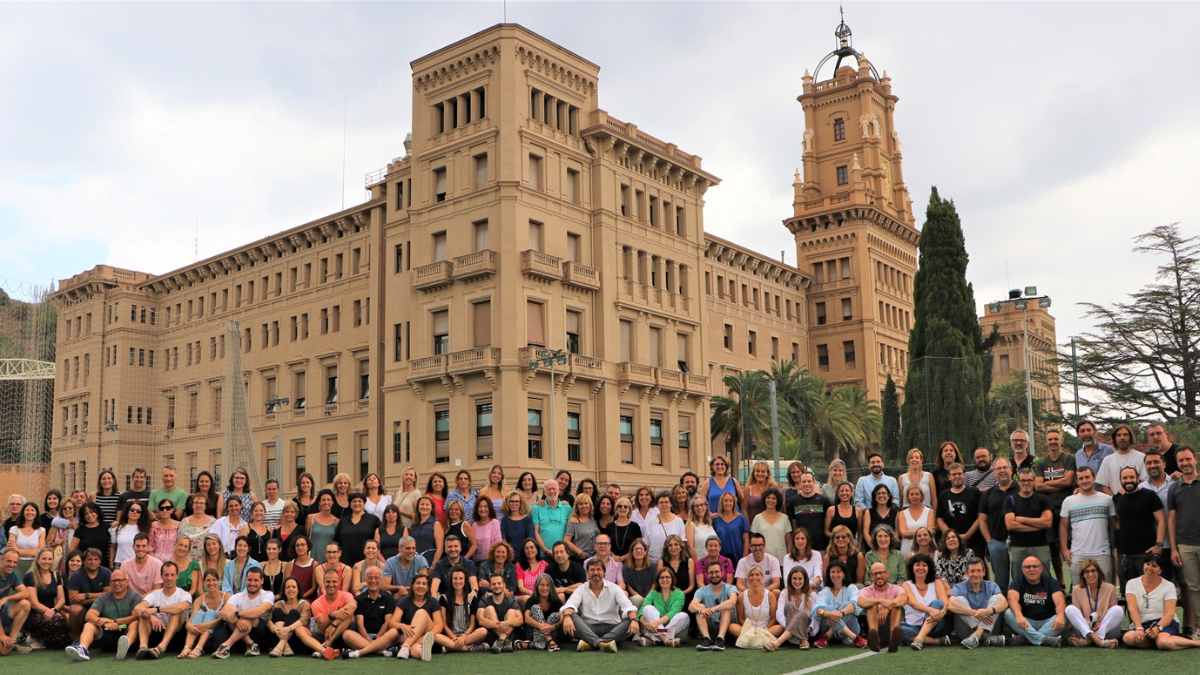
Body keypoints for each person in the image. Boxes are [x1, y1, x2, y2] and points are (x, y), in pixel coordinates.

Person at [1122, 554, 1200, 650]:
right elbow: (1132, 608)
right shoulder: (1131, 583)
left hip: (1165, 623)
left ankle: (1196, 643)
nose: (1149, 568)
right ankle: (1157, 641)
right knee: (1128, 638)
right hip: (1142, 624)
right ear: (1143, 565)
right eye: (1147, 564)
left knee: (1163, 642)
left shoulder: (1169, 586)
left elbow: (1169, 613)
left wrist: (1158, 628)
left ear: (1160, 570)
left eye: (1154, 566)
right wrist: (1139, 628)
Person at [561, 557, 637, 653]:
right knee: (570, 615)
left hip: (612, 627)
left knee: (630, 620)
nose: (595, 573)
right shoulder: (581, 588)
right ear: (587, 573)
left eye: (598, 569)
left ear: (604, 572)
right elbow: (570, 604)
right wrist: (567, 616)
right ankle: (602, 643)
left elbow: (628, 606)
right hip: (588, 628)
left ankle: (590, 643)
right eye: (592, 570)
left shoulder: (614, 588)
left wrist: (634, 620)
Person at [64, 567, 139, 662]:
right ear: (110, 583)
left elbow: (135, 616)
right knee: (89, 625)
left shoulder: (135, 597)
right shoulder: (103, 597)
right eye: (114, 581)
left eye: (120, 580)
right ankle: (82, 649)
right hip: (107, 629)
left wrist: (116, 623)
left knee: (135, 623)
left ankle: (124, 648)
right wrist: (102, 622)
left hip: (125, 629)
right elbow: (89, 615)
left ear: (127, 581)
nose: (116, 583)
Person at [1059, 465, 1116, 582]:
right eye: (1081, 478)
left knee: (1105, 590)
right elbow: (1063, 526)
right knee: (1079, 591)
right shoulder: (1069, 501)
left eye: (1087, 477)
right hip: (1078, 554)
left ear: (1094, 478)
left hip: (1102, 553)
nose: (1084, 481)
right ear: (1077, 481)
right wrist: (1064, 550)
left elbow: (1113, 525)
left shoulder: (1107, 500)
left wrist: (1113, 549)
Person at [1114, 465, 1166, 593]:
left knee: (1149, 592)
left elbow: (1161, 520)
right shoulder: (1118, 499)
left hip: (1146, 555)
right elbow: (1117, 523)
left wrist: (1158, 545)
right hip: (1125, 557)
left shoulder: (1149, 496)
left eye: (1131, 477)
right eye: (1124, 478)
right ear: (1120, 480)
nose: (1128, 480)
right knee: (1129, 594)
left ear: (1138, 478)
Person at [1034, 428, 1075, 581]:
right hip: (1049, 510)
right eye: (1050, 439)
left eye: (1055, 439)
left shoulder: (1069, 459)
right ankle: (1061, 583)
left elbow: (1069, 481)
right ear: (1046, 442)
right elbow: (1037, 486)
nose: (1053, 442)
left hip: (1067, 509)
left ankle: (1074, 583)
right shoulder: (1040, 463)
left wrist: (1047, 483)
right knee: (1053, 549)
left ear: (1061, 441)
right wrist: (1061, 483)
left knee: (1070, 547)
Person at [1168, 446, 1200, 638]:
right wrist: (1173, 548)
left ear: (1194, 459)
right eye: (1181, 461)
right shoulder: (1174, 488)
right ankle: (1199, 627)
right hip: (1185, 545)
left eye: (1188, 459)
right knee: (1193, 588)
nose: (1185, 463)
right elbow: (1171, 519)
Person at [130, 560, 191, 659]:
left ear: (177, 576)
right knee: (143, 615)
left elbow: (179, 608)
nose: (169, 578)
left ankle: (161, 648)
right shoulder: (155, 594)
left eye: (172, 575)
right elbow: (137, 608)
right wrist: (150, 616)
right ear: (161, 576)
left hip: (178, 633)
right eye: (166, 575)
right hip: (158, 630)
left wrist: (155, 610)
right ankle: (143, 648)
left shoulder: (184, 594)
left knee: (175, 613)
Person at [1003, 467, 1053, 583]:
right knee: (1018, 579)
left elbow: (1047, 522)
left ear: (1034, 481)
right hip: (1018, 547)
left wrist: (1021, 519)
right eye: (1023, 480)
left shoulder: (1043, 499)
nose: (1026, 483)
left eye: (1029, 480)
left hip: (1040, 546)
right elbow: (1010, 525)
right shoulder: (1010, 500)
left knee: (1044, 577)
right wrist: (1037, 525)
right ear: (1018, 482)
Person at [1003, 555, 1065, 647]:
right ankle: (1043, 639)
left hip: (1048, 622)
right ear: (1022, 569)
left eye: (1035, 566)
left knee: (1065, 614)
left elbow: (1060, 601)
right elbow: (1012, 599)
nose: (1031, 569)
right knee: (1008, 613)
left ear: (1041, 568)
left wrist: (1060, 615)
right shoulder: (1017, 582)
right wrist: (1019, 616)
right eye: (1027, 567)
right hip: (1026, 622)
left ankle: (1024, 639)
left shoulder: (1051, 581)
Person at [212, 567, 274, 658]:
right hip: (239, 631)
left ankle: (226, 645)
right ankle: (250, 644)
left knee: (249, 618)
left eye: (256, 580)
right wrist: (237, 621)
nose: (252, 583)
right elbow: (224, 612)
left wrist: (237, 614)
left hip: (259, 632)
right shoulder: (237, 596)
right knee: (233, 617)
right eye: (249, 580)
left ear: (262, 581)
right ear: (246, 580)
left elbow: (258, 611)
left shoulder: (268, 594)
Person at [947, 559, 1008, 649]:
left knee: (996, 599)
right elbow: (950, 605)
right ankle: (986, 638)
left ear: (984, 572)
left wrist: (988, 611)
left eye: (979, 571)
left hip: (989, 629)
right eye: (972, 571)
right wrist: (974, 613)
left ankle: (977, 636)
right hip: (967, 631)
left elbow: (1004, 603)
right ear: (967, 573)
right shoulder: (959, 587)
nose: (975, 574)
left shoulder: (992, 585)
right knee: (958, 600)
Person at [340, 566, 397, 659]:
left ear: (381, 579)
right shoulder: (359, 599)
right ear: (365, 580)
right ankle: (381, 651)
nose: (373, 581)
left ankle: (360, 652)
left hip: (383, 637)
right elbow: (360, 624)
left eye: (376, 578)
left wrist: (379, 638)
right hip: (364, 637)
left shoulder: (388, 598)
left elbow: (387, 622)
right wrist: (367, 638)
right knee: (347, 634)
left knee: (394, 632)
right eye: (370, 578)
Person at [977, 456, 1016, 591]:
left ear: (1011, 470)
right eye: (998, 468)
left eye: (1005, 467)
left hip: (1019, 542)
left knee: (1019, 579)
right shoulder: (988, 494)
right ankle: (1002, 609)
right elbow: (982, 519)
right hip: (997, 542)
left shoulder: (1021, 488)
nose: (1002, 471)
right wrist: (989, 541)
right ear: (994, 472)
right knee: (1001, 581)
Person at [1065, 560, 1122, 648]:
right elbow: (1078, 615)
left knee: (1118, 609)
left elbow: (1111, 613)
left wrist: (1099, 623)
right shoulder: (1076, 589)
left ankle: (1090, 640)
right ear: (1083, 575)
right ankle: (1098, 641)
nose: (1090, 574)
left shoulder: (1110, 588)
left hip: (1105, 627)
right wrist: (1088, 625)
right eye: (1087, 572)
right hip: (1085, 628)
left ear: (1099, 572)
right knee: (1070, 609)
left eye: (1093, 571)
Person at [301, 571, 356, 660]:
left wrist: (334, 625)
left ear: (339, 582)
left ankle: (329, 643)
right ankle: (327, 647)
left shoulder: (347, 595)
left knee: (349, 616)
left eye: (334, 581)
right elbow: (322, 625)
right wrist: (332, 615)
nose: (331, 584)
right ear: (323, 583)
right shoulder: (316, 603)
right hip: (324, 635)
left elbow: (353, 607)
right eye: (328, 582)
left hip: (341, 635)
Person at [901, 553, 951, 650]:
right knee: (896, 629)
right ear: (912, 568)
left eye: (924, 565)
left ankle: (919, 639)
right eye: (917, 565)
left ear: (929, 568)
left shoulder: (937, 582)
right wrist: (930, 610)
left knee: (938, 603)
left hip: (935, 625)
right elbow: (913, 603)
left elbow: (944, 603)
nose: (921, 568)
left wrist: (943, 612)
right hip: (913, 626)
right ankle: (937, 641)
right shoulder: (906, 585)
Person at [938, 462, 984, 561]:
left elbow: (980, 517)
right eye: (954, 474)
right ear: (949, 477)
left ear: (964, 475)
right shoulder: (943, 495)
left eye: (959, 473)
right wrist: (951, 535)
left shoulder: (975, 492)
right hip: (951, 544)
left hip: (974, 541)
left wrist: (967, 535)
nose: (957, 476)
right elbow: (939, 519)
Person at [24, 547, 69, 649]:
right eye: (44, 558)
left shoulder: (56, 575)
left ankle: (42, 639)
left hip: (52, 612)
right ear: (38, 559)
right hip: (35, 613)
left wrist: (54, 610)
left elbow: (62, 599)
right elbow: (34, 603)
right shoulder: (30, 575)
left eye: (49, 559)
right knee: (54, 626)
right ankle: (33, 636)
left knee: (62, 642)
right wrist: (48, 611)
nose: (47, 562)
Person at [812, 560, 864, 648]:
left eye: (838, 571)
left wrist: (841, 613)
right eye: (833, 572)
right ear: (829, 574)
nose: (835, 575)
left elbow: (855, 605)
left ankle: (827, 636)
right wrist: (830, 613)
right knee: (827, 610)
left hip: (850, 627)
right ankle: (856, 639)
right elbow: (818, 609)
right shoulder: (825, 591)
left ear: (844, 574)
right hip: (828, 626)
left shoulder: (851, 588)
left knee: (847, 606)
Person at [387, 570, 438, 660]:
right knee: (415, 648)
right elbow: (392, 622)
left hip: (427, 634)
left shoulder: (433, 601)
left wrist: (429, 636)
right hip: (412, 637)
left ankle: (405, 646)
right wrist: (401, 625)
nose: (420, 586)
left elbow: (439, 624)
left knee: (421, 612)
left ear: (427, 587)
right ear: (412, 586)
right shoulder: (404, 601)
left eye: (424, 584)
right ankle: (421, 654)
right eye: (418, 583)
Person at [435, 567, 487, 653]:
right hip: (451, 635)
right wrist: (454, 637)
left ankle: (450, 647)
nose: (458, 581)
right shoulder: (444, 598)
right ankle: (467, 648)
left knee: (483, 631)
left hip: (467, 635)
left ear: (465, 580)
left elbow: (472, 624)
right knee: (435, 636)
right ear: (451, 580)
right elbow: (444, 625)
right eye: (455, 578)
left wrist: (463, 636)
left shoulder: (471, 598)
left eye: (461, 578)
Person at [857, 561, 906, 653]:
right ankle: (873, 634)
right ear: (871, 577)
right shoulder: (866, 590)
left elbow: (903, 599)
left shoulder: (896, 588)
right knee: (871, 606)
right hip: (874, 623)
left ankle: (893, 637)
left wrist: (888, 607)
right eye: (875, 574)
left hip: (890, 624)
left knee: (897, 607)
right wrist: (879, 602)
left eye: (881, 572)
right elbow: (861, 601)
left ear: (887, 574)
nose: (879, 576)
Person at [690, 560, 737, 651]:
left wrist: (713, 609)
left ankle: (720, 640)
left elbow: (732, 601)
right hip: (709, 626)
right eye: (711, 572)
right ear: (707, 575)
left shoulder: (730, 587)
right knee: (699, 608)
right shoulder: (702, 590)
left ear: (722, 573)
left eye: (716, 572)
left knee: (726, 607)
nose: (714, 575)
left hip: (727, 628)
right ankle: (706, 639)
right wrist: (701, 609)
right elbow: (691, 606)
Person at [180, 569, 227, 658]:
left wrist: (204, 625)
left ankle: (198, 648)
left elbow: (221, 619)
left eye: (214, 580)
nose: (211, 583)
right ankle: (187, 648)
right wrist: (189, 625)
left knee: (210, 613)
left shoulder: (226, 597)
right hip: (201, 629)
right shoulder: (199, 599)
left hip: (220, 628)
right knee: (200, 614)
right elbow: (192, 617)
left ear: (218, 581)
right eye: (208, 580)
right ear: (204, 582)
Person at [636, 566, 687, 647]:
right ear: (658, 580)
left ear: (672, 579)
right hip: (658, 627)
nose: (664, 580)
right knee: (647, 608)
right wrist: (646, 624)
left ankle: (653, 638)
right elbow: (641, 611)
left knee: (684, 616)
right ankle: (666, 640)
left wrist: (656, 623)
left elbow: (673, 612)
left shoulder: (680, 594)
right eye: (662, 577)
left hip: (672, 626)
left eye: (667, 577)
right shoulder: (653, 593)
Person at [729, 565, 777, 649]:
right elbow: (741, 618)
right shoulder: (742, 596)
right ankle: (761, 641)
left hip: (765, 629)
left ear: (762, 577)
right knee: (732, 626)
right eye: (751, 575)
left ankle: (750, 641)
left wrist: (764, 630)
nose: (754, 577)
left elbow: (773, 618)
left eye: (757, 574)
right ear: (748, 578)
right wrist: (751, 630)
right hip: (748, 629)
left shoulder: (770, 595)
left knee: (779, 628)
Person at [67, 548, 110, 637]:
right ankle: (76, 638)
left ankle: (110, 633)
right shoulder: (76, 575)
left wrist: (87, 595)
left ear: (100, 561)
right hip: (84, 607)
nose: (92, 562)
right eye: (89, 559)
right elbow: (73, 600)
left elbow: (108, 595)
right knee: (75, 609)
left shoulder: (106, 573)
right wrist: (99, 596)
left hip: (103, 606)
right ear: (84, 561)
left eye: (96, 559)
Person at [476, 573, 523, 653]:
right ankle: (502, 639)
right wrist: (499, 624)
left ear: (504, 585)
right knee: (489, 609)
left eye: (499, 583)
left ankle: (501, 640)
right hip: (492, 637)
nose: (497, 586)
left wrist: (506, 623)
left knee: (511, 612)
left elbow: (520, 620)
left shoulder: (510, 599)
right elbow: (480, 620)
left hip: (509, 635)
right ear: (490, 586)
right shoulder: (485, 599)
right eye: (494, 584)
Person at [771, 567, 815, 650]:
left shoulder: (812, 595)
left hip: (806, 631)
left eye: (800, 579)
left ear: (805, 580)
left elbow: (814, 617)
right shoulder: (784, 592)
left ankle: (777, 643)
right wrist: (789, 627)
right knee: (789, 605)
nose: (797, 581)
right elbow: (779, 613)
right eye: (794, 578)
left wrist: (810, 629)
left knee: (803, 614)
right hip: (790, 633)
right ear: (790, 580)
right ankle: (802, 640)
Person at [334, 493, 380, 568]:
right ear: (350, 504)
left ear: (364, 503)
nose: (357, 503)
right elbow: (337, 540)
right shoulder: (343, 520)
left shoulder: (373, 520)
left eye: (360, 501)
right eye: (354, 501)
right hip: (345, 561)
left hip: (366, 561)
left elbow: (378, 541)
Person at [1097, 424, 1146, 495]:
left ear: (1130, 437)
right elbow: (1103, 485)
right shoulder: (1107, 460)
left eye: (1125, 435)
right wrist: (1116, 499)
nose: (1122, 437)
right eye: (1119, 435)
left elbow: (1144, 481)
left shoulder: (1141, 457)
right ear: (1115, 439)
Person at [520, 573, 562, 651]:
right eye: (542, 585)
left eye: (547, 585)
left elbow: (562, 618)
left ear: (551, 587)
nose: (544, 588)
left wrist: (552, 627)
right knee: (535, 608)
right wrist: (540, 626)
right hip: (534, 632)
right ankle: (549, 641)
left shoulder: (556, 600)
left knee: (555, 615)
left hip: (552, 632)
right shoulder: (532, 599)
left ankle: (530, 644)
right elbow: (527, 618)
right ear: (537, 586)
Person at [0, 549, 30, 655]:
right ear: (1, 560)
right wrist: (2, 635)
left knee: (25, 604)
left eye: (15, 562)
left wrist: (7, 598)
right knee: (3, 651)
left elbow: (26, 593)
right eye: (9, 561)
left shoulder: (12, 574)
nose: (12, 565)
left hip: (2, 613)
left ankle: (12, 640)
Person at [533, 479, 572, 559]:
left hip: (563, 553)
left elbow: (570, 531)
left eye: (554, 489)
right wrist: (545, 550)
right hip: (544, 554)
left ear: (558, 490)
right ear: (544, 492)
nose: (551, 491)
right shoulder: (537, 508)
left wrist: (562, 550)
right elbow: (536, 532)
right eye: (548, 489)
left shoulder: (567, 508)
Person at [646, 491, 686, 563]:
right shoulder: (650, 522)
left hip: (672, 562)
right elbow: (647, 544)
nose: (664, 504)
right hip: (654, 561)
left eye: (666, 502)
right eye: (661, 502)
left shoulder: (678, 521)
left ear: (671, 504)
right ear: (657, 505)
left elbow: (682, 542)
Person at [8, 501, 45, 575]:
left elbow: (40, 551)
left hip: (34, 565)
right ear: (23, 512)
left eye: (32, 510)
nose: (29, 512)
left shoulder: (41, 530)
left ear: (36, 513)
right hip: (16, 564)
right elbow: (12, 549)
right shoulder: (14, 529)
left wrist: (19, 550)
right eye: (27, 510)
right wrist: (32, 552)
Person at [72, 503, 111, 568]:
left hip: (104, 565)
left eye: (91, 512)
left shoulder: (107, 527)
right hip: (85, 566)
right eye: (86, 514)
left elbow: (112, 547)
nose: (89, 515)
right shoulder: (80, 530)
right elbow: (72, 549)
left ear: (97, 512)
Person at [712, 492, 748, 563]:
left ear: (734, 503)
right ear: (721, 503)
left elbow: (746, 540)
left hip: (738, 555)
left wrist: (744, 558)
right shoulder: (716, 519)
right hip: (720, 556)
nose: (728, 503)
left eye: (730, 501)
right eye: (725, 501)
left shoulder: (741, 518)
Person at [897, 484, 932, 557]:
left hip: (926, 549)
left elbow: (930, 531)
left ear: (921, 496)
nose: (914, 496)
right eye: (911, 494)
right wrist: (923, 532)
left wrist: (910, 532)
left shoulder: (930, 512)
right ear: (908, 497)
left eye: (917, 494)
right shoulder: (901, 513)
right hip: (907, 548)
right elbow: (903, 533)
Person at [406, 496, 442, 564]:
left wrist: (433, 565)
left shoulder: (436, 524)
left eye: (427, 504)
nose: (424, 507)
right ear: (418, 507)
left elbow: (440, 548)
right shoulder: (414, 525)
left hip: (430, 561)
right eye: (422, 504)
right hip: (414, 561)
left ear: (431, 508)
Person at [178, 493, 214, 561]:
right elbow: (179, 541)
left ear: (206, 506)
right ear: (192, 505)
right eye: (196, 502)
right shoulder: (184, 522)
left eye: (201, 503)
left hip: (206, 560)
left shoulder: (213, 522)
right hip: (187, 561)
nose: (198, 505)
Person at [861, 483, 898, 549]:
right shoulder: (868, 512)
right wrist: (875, 548)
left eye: (884, 493)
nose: (881, 495)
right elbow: (865, 533)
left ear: (888, 496)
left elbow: (897, 533)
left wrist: (888, 548)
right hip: (872, 549)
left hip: (891, 549)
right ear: (875, 497)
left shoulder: (895, 512)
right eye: (878, 493)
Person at [824, 481, 862, 545]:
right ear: (838, 493)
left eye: (847, 490)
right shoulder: (831, 510)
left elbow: (860, 533)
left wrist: (858, 545)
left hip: (852, 547)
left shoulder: (858, 511)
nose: (844, 493)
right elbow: (826, 531)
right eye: (841, 491)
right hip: (835, 546)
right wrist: (839, 538)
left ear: (852, 493)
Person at [621, 539, 655, 605]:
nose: (638, 551)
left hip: (650, 596)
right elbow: (629, 587)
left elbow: (654, 585)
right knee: (637, 599)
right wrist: (642, 600)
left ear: (645, 552)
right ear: (632, 552)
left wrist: (647, 598)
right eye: (636, 549)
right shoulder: (626, 568)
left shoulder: (652, 567)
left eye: (641, 549)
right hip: (634, 599)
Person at [685, 496, 717, 562]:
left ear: (706, 506)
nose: (699, 508)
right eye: (696, 506)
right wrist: (698, 565)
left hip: (713, 562)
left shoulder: (709, 524)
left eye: (702, 505)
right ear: (693, 509)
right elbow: (690, 548)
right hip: (700, 563)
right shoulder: (690, 524)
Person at [148, 497, 180, 561]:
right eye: (162, 508)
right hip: (156, 561)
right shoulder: (153, 525)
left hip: (174, 561)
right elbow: (150, 546)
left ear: (172, 510)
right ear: (158, 511)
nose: (164, 510)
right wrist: (154, 561)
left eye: (168, 508)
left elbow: (181, 544)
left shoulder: (179, 525)